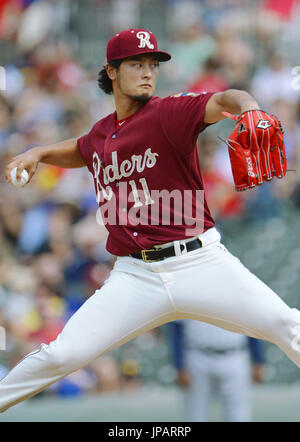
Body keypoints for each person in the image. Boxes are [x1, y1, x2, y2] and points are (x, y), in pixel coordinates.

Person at [1, 27, 300, 413]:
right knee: (61, 356)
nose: (147, 72)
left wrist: (250, 107)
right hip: (135, 277)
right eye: (136, 64)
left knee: (287, 325)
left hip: (200, 262)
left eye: (152, 65)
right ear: (111, 71)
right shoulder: (102, 133)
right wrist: (39, 152)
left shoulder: (170, 112)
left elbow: (226, 98)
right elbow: (81, 149)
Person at [171, 320, 264, 422]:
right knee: (195, 414)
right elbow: (176, 327)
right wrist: (179, 366)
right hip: (197, 355)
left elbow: (252, 323)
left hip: (235, 354)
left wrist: (258, 360)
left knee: (239, 414)